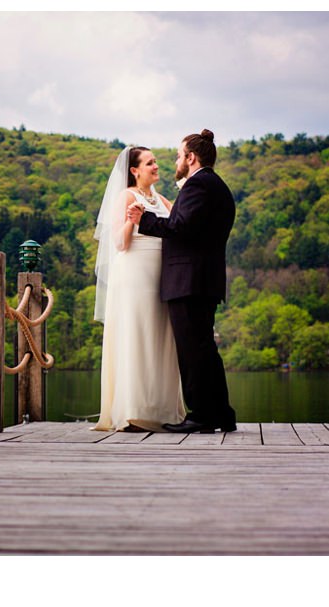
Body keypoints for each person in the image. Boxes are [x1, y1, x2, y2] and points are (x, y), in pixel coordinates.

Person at [128, 129, 237, 433]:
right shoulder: (215, 186)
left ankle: (201, 414)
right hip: (203, 279)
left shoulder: (198, 185)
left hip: (189, 280)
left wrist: (144, 221)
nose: (175, 161)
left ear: (191, 157)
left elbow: (180, 226)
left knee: (192, 351)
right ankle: (222, 414)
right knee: (205, 350)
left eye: (178, 155)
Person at [92, 145, 186, 433]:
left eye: (156, 161)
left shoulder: (162, 199)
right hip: (134, 276)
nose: (156, 166)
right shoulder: (126, 196)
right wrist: (133, 221)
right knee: (137, 335)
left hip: (161, 276)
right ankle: (132, 412)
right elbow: (119, 244)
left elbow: (177, 227)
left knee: (160, 336)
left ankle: (162, 409)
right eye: (150, 163)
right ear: (134, 171)